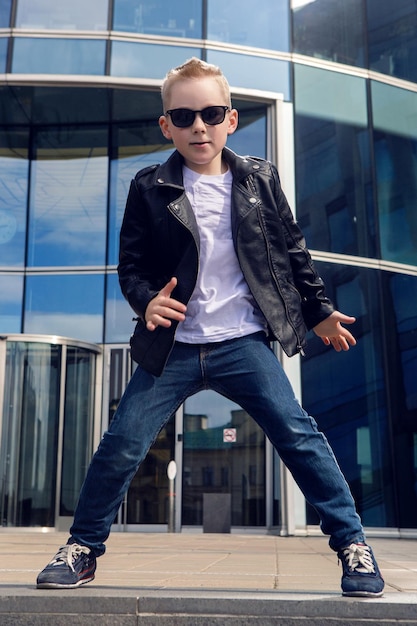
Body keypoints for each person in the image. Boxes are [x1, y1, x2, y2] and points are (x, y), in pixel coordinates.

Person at [36, 57, 384, 597]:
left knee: (299, 435)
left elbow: (292, 253)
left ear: (230, 120)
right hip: (174, 346)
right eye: (184, 114)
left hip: (243, 341)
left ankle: (354, 547)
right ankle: (82, 548)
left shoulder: (259, 179)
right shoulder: (149, 186)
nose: (199, 125)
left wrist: (317, 311)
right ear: (166, 125)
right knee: (123, 442)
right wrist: (147, 300)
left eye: (211, 113)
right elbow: (131, 266)